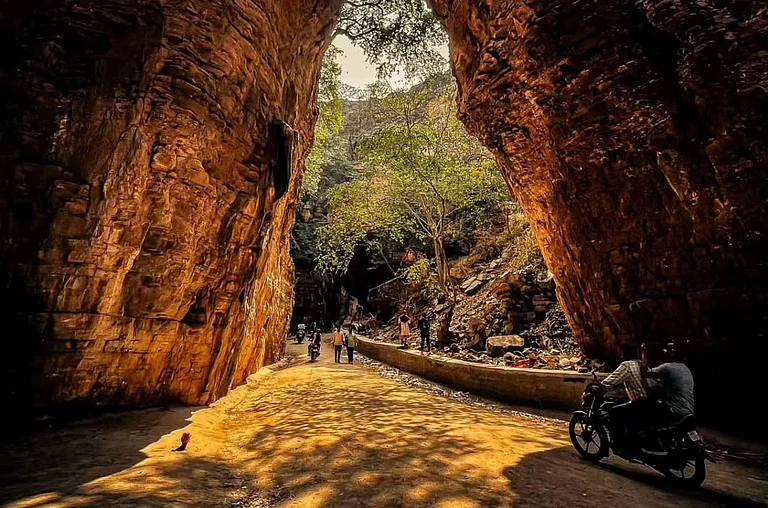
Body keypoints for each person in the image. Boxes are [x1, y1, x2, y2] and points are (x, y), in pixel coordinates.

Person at [601, 344, 652, 452]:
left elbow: (610, 381)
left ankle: (619, 444)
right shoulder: (640, 363)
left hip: (640, 402)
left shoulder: (627, 365)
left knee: (614, 412)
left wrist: (599, 386)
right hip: (650, 400)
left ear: (624, 354)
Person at [646, 342, 695, 422]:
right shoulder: (685, 368)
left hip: (675, 412)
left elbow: (646, 372)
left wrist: (643, 352)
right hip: (689, 411)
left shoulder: (667, 367)